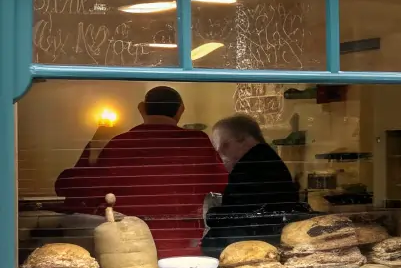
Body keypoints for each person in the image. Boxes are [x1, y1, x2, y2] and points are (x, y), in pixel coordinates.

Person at [55, 86, 227, 257]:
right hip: (184, 245)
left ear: (141, 108)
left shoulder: (119, 145)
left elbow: (78, 189)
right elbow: (223, 185)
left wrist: (92, 151)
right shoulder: (197, 143)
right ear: (181, 110)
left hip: (130, 248)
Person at [201, 114, 306, 255]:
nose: (220, 153)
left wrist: (213, 215)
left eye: (225, 145)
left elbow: (238, 215)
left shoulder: (252, 166)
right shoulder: (264, 159)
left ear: (244, 139)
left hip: (251, 248)